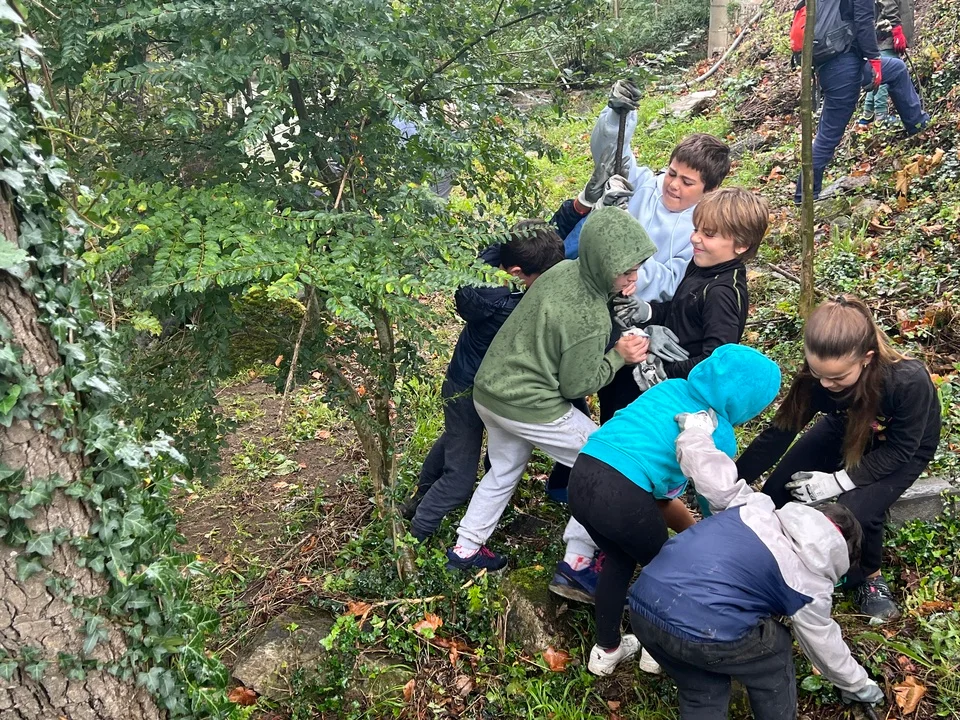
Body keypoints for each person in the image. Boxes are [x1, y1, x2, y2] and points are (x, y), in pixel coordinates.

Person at [547, 188, 770, 601]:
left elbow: (715, 364)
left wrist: (662, 363)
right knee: (614, 454)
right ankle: (587, 551)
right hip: (645, 376)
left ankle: (597, 555)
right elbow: (678, 312)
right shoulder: (701, 266)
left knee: (631, 470)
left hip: (669, 394)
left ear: (740, 245)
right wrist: (650, 313)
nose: (695, 239)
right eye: (697, 228)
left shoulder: (725, 293)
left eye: (709, 234)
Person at [445, 207, 681, 571]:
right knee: (606, 463)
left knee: (504, 469)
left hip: (490, 390)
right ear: (603, 265)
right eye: (626, 272)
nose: (634, 278)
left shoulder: (563, 269)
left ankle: (465, 549)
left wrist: (621, 304)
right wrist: (619, 356)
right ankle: (578, 560)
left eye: (637, 269)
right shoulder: (589, 317)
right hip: (528, 402)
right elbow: (577, 385)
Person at [627, 408, 886, 719]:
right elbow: (823, 642)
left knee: (702, 688)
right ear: (842, 556)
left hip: (644, 603)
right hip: (706, 629)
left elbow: (710, 472)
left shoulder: (752, 506)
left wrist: (695, 432)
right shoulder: (811, 583)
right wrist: (858, 685)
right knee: (775, 654)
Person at [566, 344, 781, 676]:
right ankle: (659, 652)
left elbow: (650, 464)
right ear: (748, 403)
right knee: (670, 572)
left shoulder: (670, 387)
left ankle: (606, 651)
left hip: (583, 474)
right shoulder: (719, 433)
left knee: (620, 559)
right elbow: (712, 496)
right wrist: (719, 534)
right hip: (623, 494)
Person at [736, 295, 941, 621]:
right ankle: (775, 558)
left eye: (837, 378)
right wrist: (733, 478)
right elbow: (781, 432)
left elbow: (901, 450)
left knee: (855, 511)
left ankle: (868, 578)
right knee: (777, 490)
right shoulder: (819, 376)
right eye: (818, 373)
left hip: (903, 448)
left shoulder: (907, 381)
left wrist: (838, 481)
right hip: (847, 425)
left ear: (866, 358)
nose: (825, 384)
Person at [400, 221, 565, 540]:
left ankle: (419, 498)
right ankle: (418, 534)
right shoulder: (507, 306)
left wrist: (576, 209)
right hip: (471, 389)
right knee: (460, 481)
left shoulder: (494, 261)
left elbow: (521, 241)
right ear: (516, 273)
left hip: (464, 378)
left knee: (456, 438)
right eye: (542, 278)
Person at [794, 0, 928, 203]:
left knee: (897, 69)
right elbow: (863, 21)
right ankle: (804, 198)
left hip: (838, 63)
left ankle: (917, 124)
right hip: (843, 68)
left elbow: (851, 24)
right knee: (828, 137)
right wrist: (874, 59)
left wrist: (878, 36)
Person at [858, 0, 915, 127]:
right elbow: (888, 4)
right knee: (884, 75)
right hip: (888, 34)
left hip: (885, 33)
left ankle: (867, 114)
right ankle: (881, 115)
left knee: (878, 73)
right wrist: (896, 29)